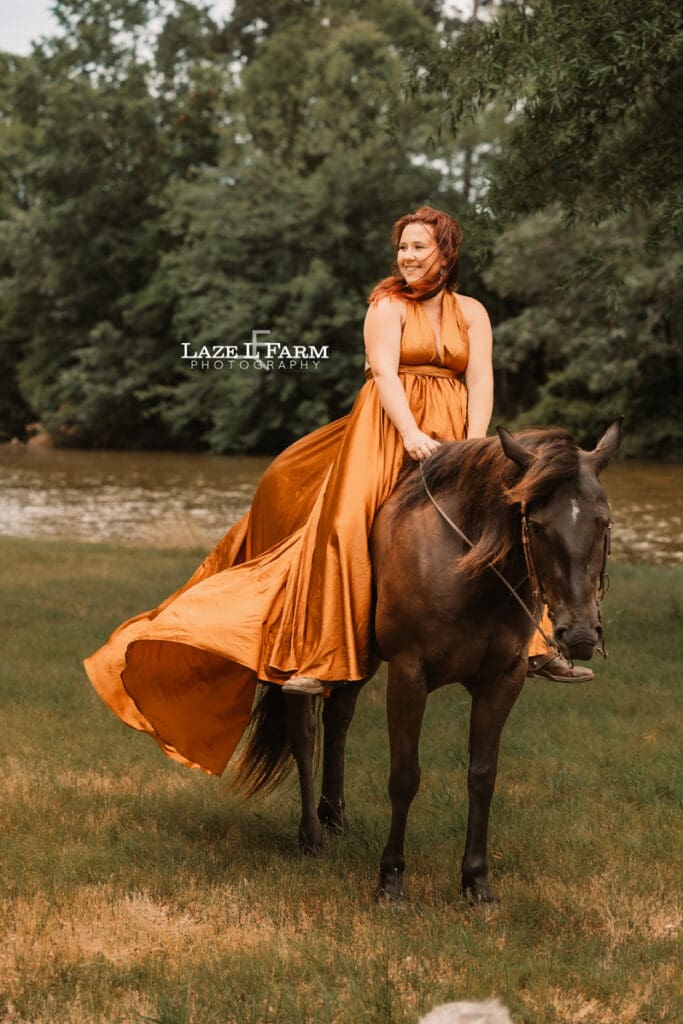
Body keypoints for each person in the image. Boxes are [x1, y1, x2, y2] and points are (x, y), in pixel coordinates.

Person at [84, 205, 590, 778]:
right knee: (350, 525)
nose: (407, 256)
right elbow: (384, 374)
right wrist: (411, 435)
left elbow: (482, 378)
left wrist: (473, 451)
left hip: (457, 434)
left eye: (418, 247)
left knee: (513, 521)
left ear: (446, 252)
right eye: (402, 247)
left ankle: (537, 643)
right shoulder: (387, 305)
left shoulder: (472, 311)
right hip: (389, 427)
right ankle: (321, 656)